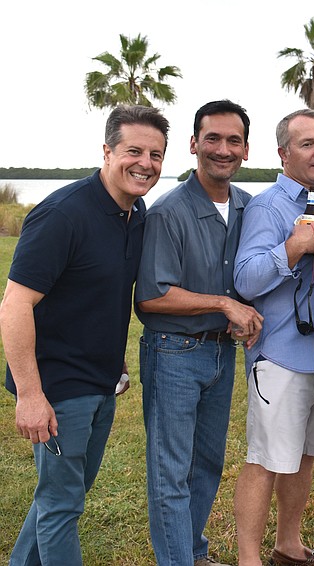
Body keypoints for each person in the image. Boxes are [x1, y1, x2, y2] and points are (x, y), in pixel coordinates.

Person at [0, 105, 169, 566]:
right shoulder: (62, 214)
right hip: (58, 389)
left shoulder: (135, 215)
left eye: (156, 154)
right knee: (61, 504)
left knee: (62, 496)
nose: (145, 163)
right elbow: (14, 305)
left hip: (101, 384)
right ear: (108, 150)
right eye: (134, 150)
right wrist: (31, 395)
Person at [135, 99, 262, 566]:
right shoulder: (168, 212)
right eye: (213, 138)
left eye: (233, 140)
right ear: (193, 144)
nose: (223, 149)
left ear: (246, 149)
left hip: (220, 355)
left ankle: (192, 552)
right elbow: (151, 295)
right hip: (173, 353)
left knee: (206, 465)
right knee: (171, 472)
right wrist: (224, 303)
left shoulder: (250, 207)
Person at [232, 109, 314, 566]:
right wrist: (292, 248)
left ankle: (288, 545)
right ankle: (249, 559)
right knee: (266, 461)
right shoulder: (268, 206)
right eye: (308, 144)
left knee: (304, 455)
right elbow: (245, 280)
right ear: (284, 153)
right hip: (279, 356)